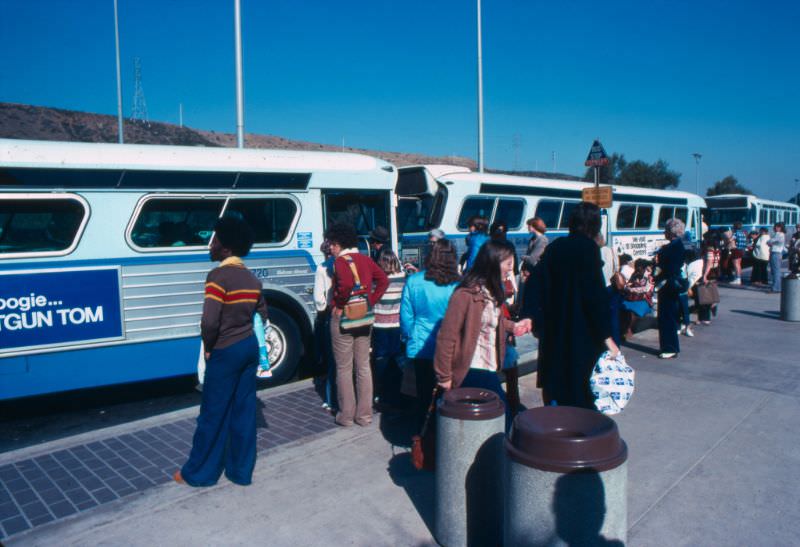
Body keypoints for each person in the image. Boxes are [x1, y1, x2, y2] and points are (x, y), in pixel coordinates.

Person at [176, 216, 267, 487]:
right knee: (243, 411)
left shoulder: (218, 276)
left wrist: (208, 347)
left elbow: (209, 321)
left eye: (214, 239)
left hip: (225, 349)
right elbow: (262, 314)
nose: (210, 244)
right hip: (248, 348)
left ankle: (199, 473)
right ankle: (240, 472)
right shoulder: (252, 278)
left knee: (212, 413)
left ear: (225, 248)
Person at [521, 202, 620, 409]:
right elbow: (594, 297)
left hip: (554, 328)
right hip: (581, 332)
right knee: (580, 390)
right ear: (595, 224)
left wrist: (531, 316)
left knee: (556, 384)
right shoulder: (589, 249)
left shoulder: (556, 246)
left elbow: (535, 283)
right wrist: (606, 337)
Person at [434, 239, 532, 429]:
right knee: (505, 419)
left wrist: (513, 326)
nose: (510, 271)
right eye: (508, 264)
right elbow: (446, 337)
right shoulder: (465, 295)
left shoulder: (491, 292)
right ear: (494, 263)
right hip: (471, 368)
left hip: (489, 366)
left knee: (486, 424)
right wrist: (444, 377)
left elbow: (492, 321)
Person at [326, 223, 389, 427]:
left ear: (337, 243)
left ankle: (346, 415)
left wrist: (338, 304)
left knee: (344, 368)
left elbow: (343, 286)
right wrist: (371, 300)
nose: (329, 248)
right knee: (363, 366)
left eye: (331, 244)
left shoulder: (340, 262)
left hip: (344, 317)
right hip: (364, 316)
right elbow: (383, 281)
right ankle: (364, 415)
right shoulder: (366, 259)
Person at [400, 239, 461, 425]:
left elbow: (406, 318)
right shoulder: (458, 285)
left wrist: (409, 337)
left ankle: (422, 436)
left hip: (420, 346)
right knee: (449, 395)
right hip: (450, 349)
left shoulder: (414, 281)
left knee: (423, 396)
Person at [371, 248, 406, 410]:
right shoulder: (403, 278)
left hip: (380, 324)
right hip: (397, 324)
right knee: (397, 357)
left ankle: (381, 392)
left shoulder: (377, 280)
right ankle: (398, 390)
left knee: (381, 359)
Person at [654, 218, 686, 359]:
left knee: (667, 316)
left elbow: (669, 268)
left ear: (671, 232)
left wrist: (657, 276)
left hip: (668, 285)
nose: (664, 233)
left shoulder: (673, 247)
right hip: (671, 284)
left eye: (666, 230)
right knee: (668, 316)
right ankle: (669, 346)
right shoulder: (677, 245)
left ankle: (670, 347)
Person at [313, 240, 336, 412]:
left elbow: (319, 301)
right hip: (349, 313)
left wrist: (322, 308)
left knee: (332, 360)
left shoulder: (322, 268)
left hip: (330, 314)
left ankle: (331, 400)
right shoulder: (347, 262)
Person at [620, 259, 654, 339]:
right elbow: (629, 284)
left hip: (644, 300)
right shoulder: (635, 274)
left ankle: (628, 330)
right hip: (633, 298)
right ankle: (624, 329)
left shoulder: (649, 276)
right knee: (621, 307)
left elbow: (647, 289)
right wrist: (627, 286)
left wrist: (632, 289)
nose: (637, 270)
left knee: (632, 313)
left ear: (642, 268)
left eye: (638, 268)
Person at [697, 231, 721, 325]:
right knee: (710, 293)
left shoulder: (709, 249)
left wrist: (704, 275)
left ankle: (706, 318)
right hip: (715, 272)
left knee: (705, 297)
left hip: (709, 273)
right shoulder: (717, 248)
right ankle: (713, 305)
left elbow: (709, 262)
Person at [768, 222, 786, 293]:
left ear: (781, 228)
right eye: (775, 226)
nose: (776, 228)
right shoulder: (777, 234)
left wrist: (770, 242)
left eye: (778, 227)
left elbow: (770, 241)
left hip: (776, 253)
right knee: (774, 270)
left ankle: (776, 288)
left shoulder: (780, 234)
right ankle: (775, 286)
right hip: (774, 252)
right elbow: (770, 242)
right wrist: (770, 242)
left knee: (776, 271)